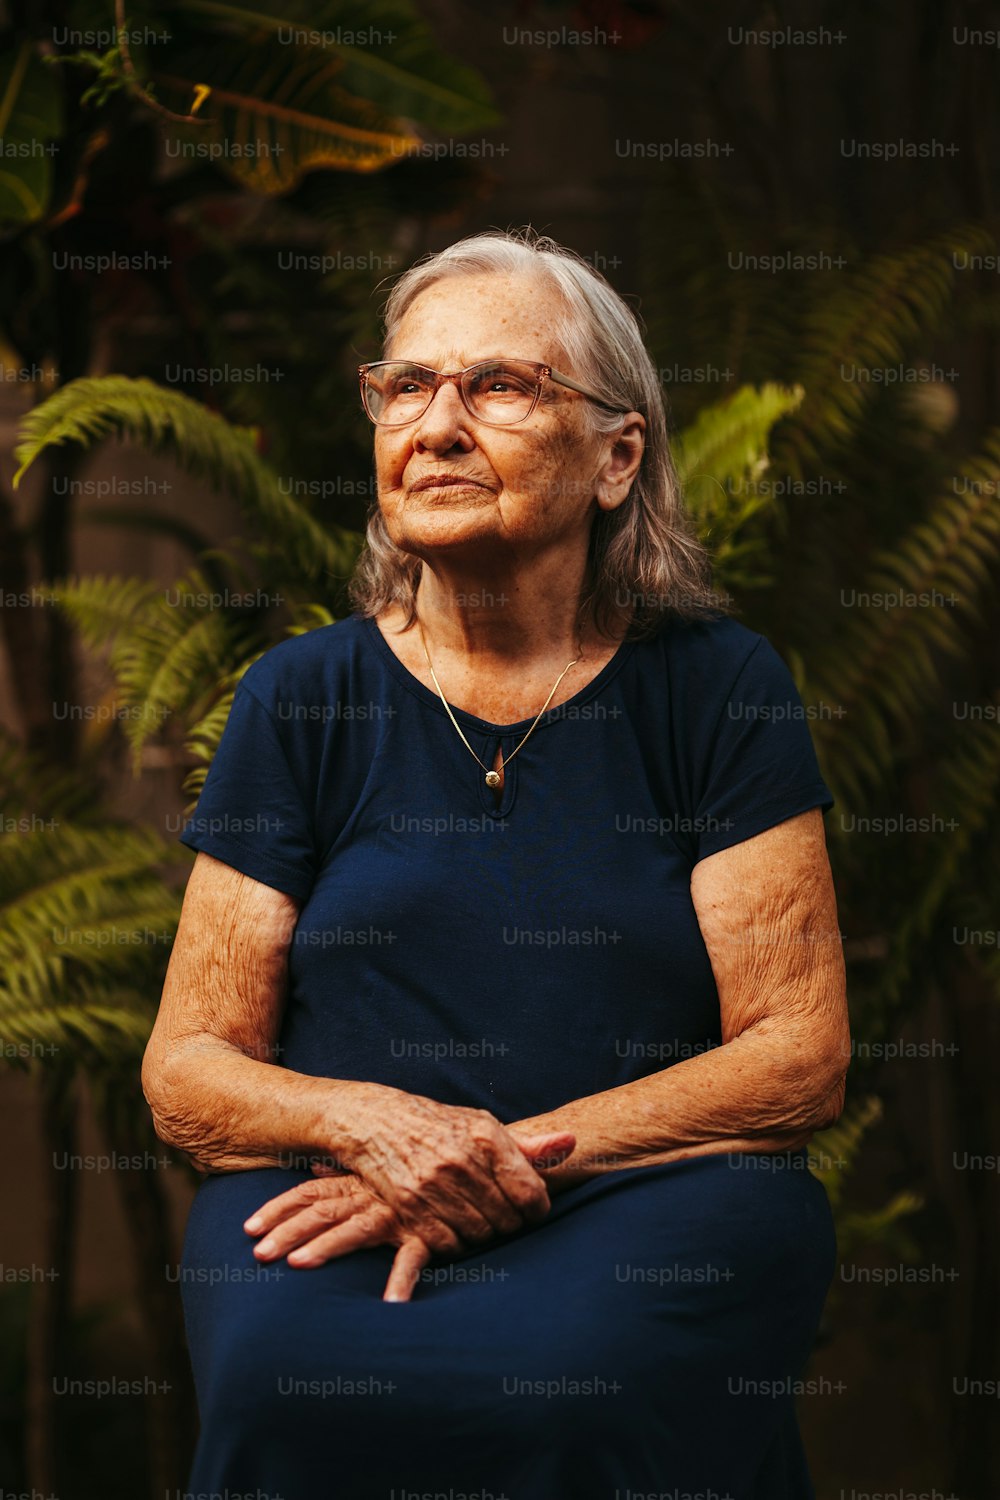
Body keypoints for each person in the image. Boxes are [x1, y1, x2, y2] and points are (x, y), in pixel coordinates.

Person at [142, 227, 850, 1500]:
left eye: (501, 386)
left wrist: (507, 1159)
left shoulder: (717, 689)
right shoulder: (301, 699)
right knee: (283, 1395)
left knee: (575, 1398)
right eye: (406, 386)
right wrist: (373, 1127)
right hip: (344, 1198)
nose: (439, 423)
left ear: (616, 456)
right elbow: (189, 1070)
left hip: (650, 1195)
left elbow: (796, 1055)